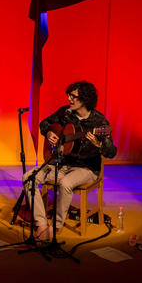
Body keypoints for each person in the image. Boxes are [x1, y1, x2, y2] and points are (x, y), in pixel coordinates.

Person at [25, 81, 116, 240]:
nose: (69, 99)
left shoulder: (99, 123)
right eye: (69, 95)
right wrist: (48, 134)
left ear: (85, 100)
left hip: (86, 169)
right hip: (61, 163)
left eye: (73, 96)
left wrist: (99, 144)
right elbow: (44, 123)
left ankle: (55, 227)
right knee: (28, 178)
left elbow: (111, 152)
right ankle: (41, 223)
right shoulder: (65, 113)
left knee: (65, 183)